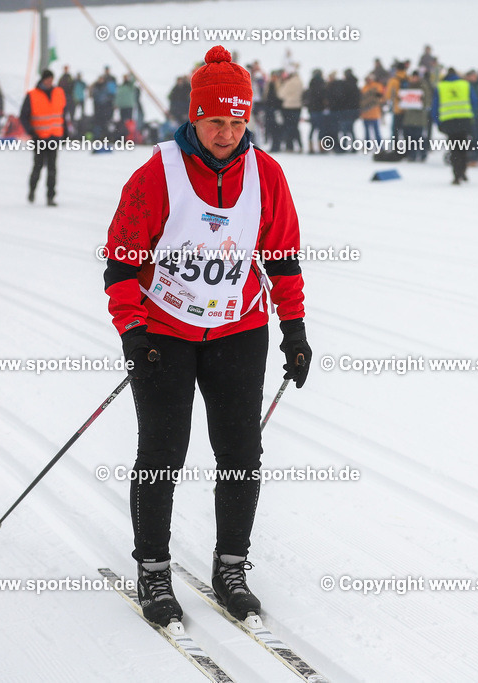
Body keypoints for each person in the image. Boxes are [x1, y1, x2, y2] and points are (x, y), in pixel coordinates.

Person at [102, 46, 310, 629]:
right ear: (194, 117)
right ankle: (153, 569)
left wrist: (293, 330)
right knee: (162, 454)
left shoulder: (266, 174)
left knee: (241, 452)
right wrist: (131, 328)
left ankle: (231, 566)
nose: (226, 132)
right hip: (164, 332)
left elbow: (283, 258)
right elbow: (121, 262)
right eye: (215, 120)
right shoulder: (156, 174)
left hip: (239, 330)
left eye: (237, 120)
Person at [20, 69, 66, 206]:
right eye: (48, 79)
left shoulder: (59, 92)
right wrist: (31, 132)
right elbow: (23, 116)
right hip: (39, 138)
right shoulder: (32, 95)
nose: (50, 82)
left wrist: (66, 133)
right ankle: (32, 190)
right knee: (38, 167)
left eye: (52, 79)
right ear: (42, 79)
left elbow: (62, 114)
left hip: (54, 137)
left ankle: (50, 197)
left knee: (52, 169)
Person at [433, 66, 475, 184]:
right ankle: (463, 171)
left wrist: (437, 122)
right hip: (465, 120)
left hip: (448, 122)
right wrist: (471, 117)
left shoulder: (440, 86)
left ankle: (456, 174)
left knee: (454, 149)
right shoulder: (465, 84)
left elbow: (435, 107)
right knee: (463, 147)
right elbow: (474, 101)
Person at [400, 69, 431, 162]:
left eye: (415, 77)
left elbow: (427, 101)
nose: (414, 79)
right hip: (409, 117)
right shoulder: (408, 86)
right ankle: (412, 155)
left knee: (419, 137)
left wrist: (420, 102)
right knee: (410, 137)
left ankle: (422, 155)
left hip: (419, 117)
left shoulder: (423, 86)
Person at [360, 74, 385, 143]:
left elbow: (380, 97)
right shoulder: (365, 87)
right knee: (367, 132)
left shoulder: (376, 86)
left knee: (376, 132)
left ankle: (379, 145)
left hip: (374, 113)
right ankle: (368, 145)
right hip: (366, 113)